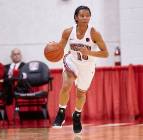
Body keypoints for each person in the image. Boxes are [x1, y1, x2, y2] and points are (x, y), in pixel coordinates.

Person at [52, 5, 109, 134]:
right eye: (82, 16)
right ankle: (61, 112)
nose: (85, 18)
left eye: (87, 15)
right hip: (72, 61)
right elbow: (60, 49)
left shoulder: (94, 33)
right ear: (76, 17)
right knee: (67, 85)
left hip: (87, 66)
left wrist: (90, 53)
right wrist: (53, 50)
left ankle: (77, 115)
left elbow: (105, 53)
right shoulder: (68, 32)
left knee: (80, 94)